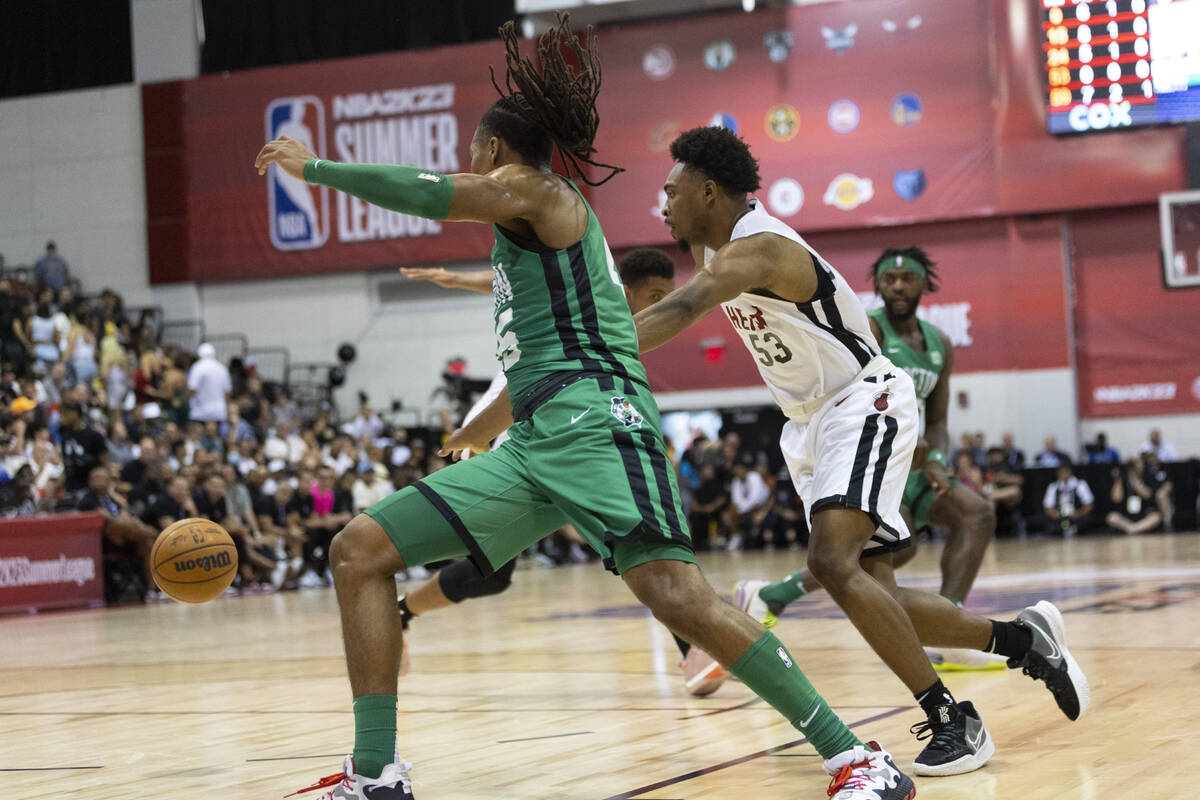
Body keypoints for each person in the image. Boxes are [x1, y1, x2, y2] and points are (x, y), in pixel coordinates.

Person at [258, 17, 915, 800]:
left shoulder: (542, 193)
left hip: (600, 423)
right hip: (539, 436)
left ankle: (856, 760)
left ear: (496, 154)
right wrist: (486, 427)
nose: (471, 167)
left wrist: (316, 167)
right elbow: (543, 343)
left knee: (679, 599)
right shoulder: (531, 235)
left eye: (475, 153)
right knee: (358, 551)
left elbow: (438, 194)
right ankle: (374, 778)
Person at [630, 126, 1088, 777]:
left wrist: (582, 350)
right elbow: (651, 290)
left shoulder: (757, 249)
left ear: (709, 191)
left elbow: (679, 308)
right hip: (808, 424)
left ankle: (953, 721)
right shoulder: (714, 244)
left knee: (832, 561)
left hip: (860, 402)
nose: (663, 204)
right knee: (873, 593)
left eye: (672, 191)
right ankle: (1022, 640)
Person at [395, 248, 727, 694]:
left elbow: (504, 283)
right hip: (512, 419)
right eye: (655, 296)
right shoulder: (593, 305)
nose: (662, 307)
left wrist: (458, 280)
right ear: (625, 292)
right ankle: (397, 605)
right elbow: (512, 280)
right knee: (500, 570)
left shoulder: (622, 335)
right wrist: (463, 281)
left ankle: (401, 613)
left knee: (503, 573)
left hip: (553, 421)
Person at [735, 246, 1000, 671]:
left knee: (977, 514)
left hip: (917, 463)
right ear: (877, 285)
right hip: (874, 450)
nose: (897, 286)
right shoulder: (869, 329)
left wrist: (936, 458)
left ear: (923, 284)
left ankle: (953, 621)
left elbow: (939, 419)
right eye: (889, 279)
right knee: (893, 549)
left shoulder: (939, 343)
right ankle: (774, 594)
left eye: (906, 279)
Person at [1106, 455, 1162, 535]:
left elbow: (1147, 495)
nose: (1134, 467)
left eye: (1137, 464)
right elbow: (1116, 498)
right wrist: (1118, 479)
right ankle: (1133, 528)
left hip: (1143, 514)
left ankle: (1133, 529)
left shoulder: (1147, 477)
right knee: (1111, 517)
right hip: (1127, 516)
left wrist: (1134, 480)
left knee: (1156, 517)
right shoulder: (1122, 480)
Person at [1042, 460, 1094, 538]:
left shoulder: (1080, 484)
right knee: (1047, 521)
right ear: (1058, 472)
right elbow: (1048, 507)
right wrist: (1055, 514)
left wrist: (1078, 513)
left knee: (1087, 520)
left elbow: (1089, 505)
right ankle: (1063, 530)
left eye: (1066, 470)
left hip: (1076, 516)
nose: (1064, 473)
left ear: (1071, 471)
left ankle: (1073, 529)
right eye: (1061, 471)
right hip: (1060, 517)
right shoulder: (1053, 487)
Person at [188, 343, 232, 423]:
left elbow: (192, 389)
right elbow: (227, 392)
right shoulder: (222, 368)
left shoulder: (197, 367)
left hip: (201, 411)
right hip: (218, 412)